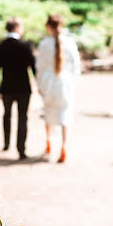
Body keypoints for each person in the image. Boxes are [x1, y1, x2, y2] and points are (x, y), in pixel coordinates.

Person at [36, 14, 81, 163]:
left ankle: (48, 142)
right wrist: (73, 81)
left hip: (49, 82)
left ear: (48, 26)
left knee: (48, 111)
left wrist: (39, 84)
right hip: (66, 82)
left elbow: (40, 67)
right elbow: (76, 66)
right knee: (65, 114)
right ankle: (64, 146)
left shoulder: (44, 44)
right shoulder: (70, 42)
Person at [0, 17, 36, 160]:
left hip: (7, 87)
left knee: (7, 115)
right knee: (23, 117)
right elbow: (33, 67)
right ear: (17, 27)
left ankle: (6, 143)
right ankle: (21, 150)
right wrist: (40, 83)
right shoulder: (26, 46)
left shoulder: (0, 47)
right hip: (24, 88)